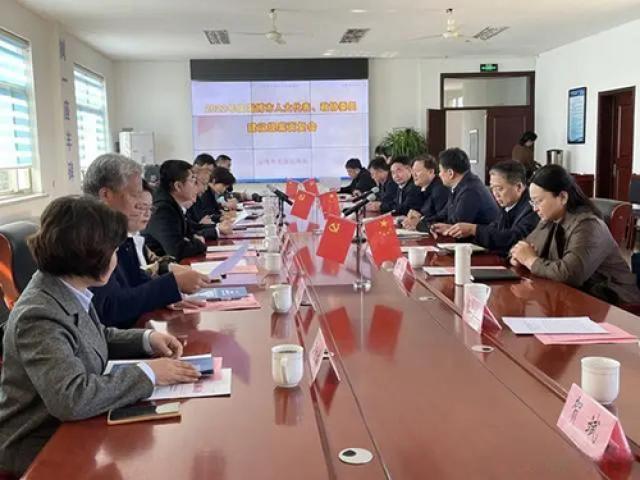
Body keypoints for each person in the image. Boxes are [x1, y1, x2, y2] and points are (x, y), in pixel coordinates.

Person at [0, 196, 201, 476]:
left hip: (75, 428)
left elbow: (94, 335)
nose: (116, 259)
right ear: (90, 255)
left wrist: (145, 339)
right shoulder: (39, 315)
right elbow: (71, 398)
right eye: (114, 250)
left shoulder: (68, 289)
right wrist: (149, 373)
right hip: (41, 447)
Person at [84, 153, 211, 329]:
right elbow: (110, 308)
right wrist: (172, 284)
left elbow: (136, 281)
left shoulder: (116, 234)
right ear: (106, 195)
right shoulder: (89, 237)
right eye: (135, 195)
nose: (140, 204)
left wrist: (166, 296)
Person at [510, 164, 640, 305]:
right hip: (575, 296)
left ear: (563, 197)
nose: (535, 208)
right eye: (532, 202)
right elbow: (522, 248)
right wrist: (517, 257)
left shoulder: (589, 225)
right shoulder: (549, 220)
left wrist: (529, 260)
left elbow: (570, 275)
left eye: (539, 201)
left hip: (614, 303)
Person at [442, 160, 539, 256]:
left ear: (519, 187)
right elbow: (495, 229)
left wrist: (474, 229)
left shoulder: (533, 208)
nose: (495, 194)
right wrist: (455, 229)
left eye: (499, 189)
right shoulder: (507, 204)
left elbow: (513, 238)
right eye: (492, 188)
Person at [420, 148, 499, 235]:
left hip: (480, 241)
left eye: (440, 171)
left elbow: (457, 225)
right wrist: (423, 221)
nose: (439, 174)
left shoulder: (470, 190)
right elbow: (444, 214)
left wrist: (427, 225)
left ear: (450, 173)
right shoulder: (459, 186)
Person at [143, 160, 207, 261]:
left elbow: (190, 234)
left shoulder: (172, 204)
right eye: (192, 181)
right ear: (178, 186)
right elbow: (176, 250)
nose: (195, 186)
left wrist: (192, 241)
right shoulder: (163, 209)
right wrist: (199, 244)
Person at [402, 154, 449, 230]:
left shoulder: (440, 189)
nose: (414, 175)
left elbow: (442, 218)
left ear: (431, 172)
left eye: (417, 171)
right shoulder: (419, 187)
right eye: (413, 171)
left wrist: (420, 220)